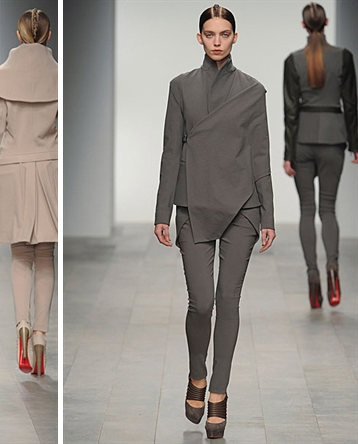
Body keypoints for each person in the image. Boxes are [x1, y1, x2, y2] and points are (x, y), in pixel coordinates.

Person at [154, 4, 275, 439]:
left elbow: (260, 152)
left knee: (228, 299)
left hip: (242, 205)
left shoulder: (253, 91)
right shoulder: (181, 87)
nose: (218, 40)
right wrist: (162, 210)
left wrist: (268, 213)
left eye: (225, 34)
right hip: (193, 202)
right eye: (210, 34)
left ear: (235, 38)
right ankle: (197, 374)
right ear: (200, 38)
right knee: (201, 302)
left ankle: (219, 393)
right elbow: (171, 149)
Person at [0, 8, 57, 376]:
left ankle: (21, 325)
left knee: (21, 255)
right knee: (46, 255)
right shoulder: (58, 77)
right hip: (50, 169)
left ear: (19, 36)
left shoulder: (3, 79)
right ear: (48, 36)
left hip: (12, 171)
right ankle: (40, 334)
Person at [283, 2, 357, 309]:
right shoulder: (343, 56)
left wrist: (288, 152)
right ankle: (333, 270)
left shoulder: (293, 60)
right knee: (328, 209)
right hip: (333, 138)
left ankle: (312, 278)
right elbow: (351, 104)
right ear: (326, 22)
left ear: (303, 25)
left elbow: (290, 110)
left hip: (302, 139)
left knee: (306, 210)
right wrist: (355, 144)